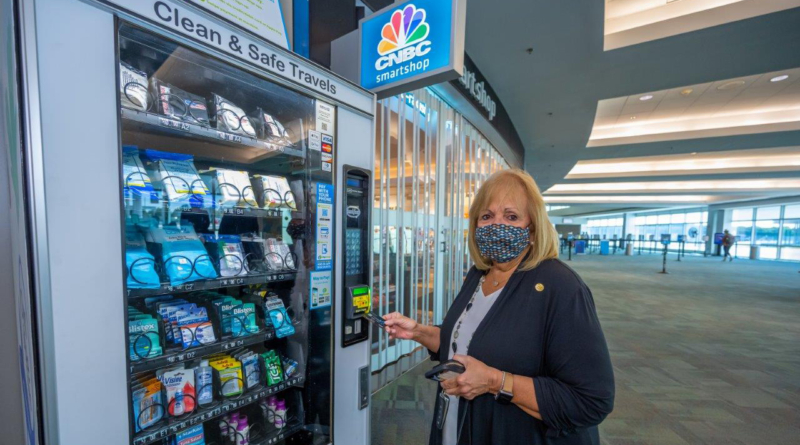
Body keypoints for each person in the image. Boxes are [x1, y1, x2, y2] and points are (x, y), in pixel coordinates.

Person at [383, 169, 615, 445]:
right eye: (487, 216)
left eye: (511, 216)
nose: (496, 225)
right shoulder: (479, 274)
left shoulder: (561, 287)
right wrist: (419, 332)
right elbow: (467, 341)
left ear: (532, 228)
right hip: (459, 427)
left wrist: (495, 381)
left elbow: (591, 400)